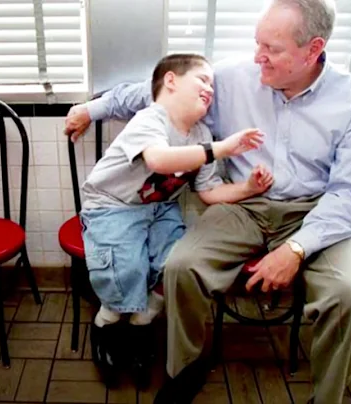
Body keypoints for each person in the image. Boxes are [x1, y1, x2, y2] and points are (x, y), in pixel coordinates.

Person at [65, 0, 351, 403]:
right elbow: (160, 93)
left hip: (316, 213)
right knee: (181, 266)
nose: (257, 57)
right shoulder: (235, 77)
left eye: (272, 49)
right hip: (244, 205)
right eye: (257, 44)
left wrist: (296, 249)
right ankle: (186, 370)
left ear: (313, 49)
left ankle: (326, 398)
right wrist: (90, 109)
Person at [80, 53, 273, 388]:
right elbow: (158, 159)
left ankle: (142, 326)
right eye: (202, 80)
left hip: (158, 209)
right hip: (111, 206)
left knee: (175, 265)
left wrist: (247, 188)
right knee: (125, 270)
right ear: (170, 81)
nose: (209, 89)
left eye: (212, 85)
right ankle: (105, 325)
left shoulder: (202, 133)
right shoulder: (150, 119)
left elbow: (209, 191)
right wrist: (221, 149)